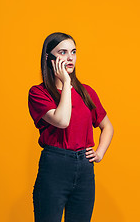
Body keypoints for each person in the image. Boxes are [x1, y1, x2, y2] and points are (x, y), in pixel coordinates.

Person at [28, 32, 114, 222]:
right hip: (55, 166)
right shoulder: (38, 93)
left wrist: (99, 153)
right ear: (48, 58)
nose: (69, 58)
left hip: (84, 169)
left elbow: (107, 126)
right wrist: (66, 82)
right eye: (63, 52)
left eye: (73, 52)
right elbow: (62, 120)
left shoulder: (86, 92)